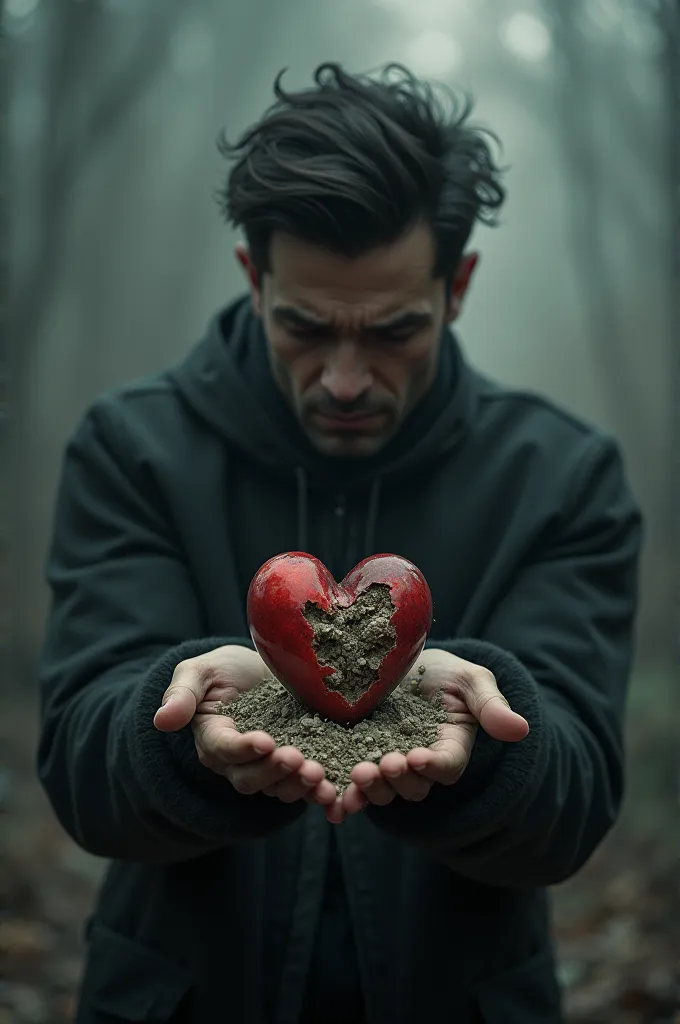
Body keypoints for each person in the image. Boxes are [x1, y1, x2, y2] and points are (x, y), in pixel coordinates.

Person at [37, 63, 642, 1024]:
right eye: (306, 328)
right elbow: (80, 764)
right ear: (253, 277)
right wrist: (186, 736)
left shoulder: (562, 477)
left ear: (459, 285)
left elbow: (573, 803)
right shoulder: (133, 449)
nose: (348, 378)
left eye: (395, 329)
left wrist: (479, 750)